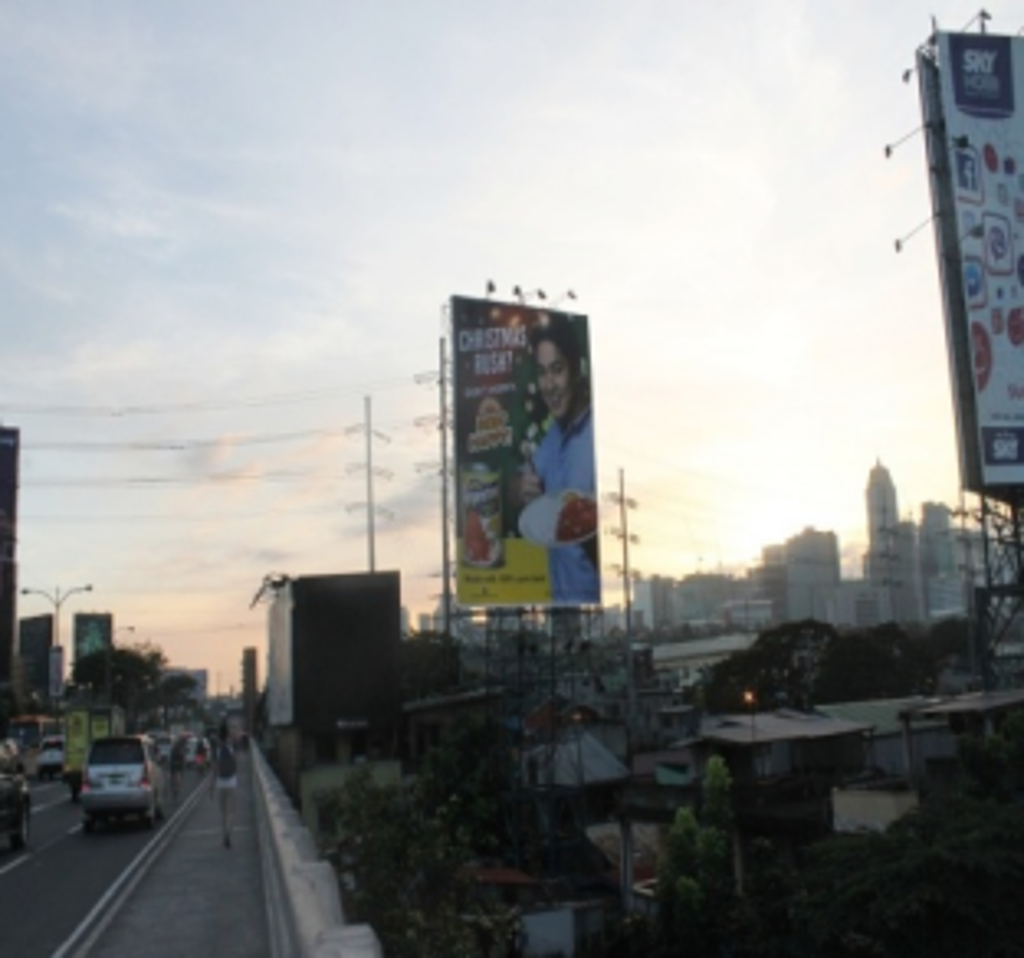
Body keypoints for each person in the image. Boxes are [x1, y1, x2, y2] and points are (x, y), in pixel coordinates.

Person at [518, 313, 600, 604]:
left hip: (592, 601)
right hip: (556, 603)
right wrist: (529, 497)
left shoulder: (595, 438)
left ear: (576, 369)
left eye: (557, 369)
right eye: (542, 372)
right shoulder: (546, 446)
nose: (549, 385)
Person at [209, 724, 238, 849]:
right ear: (228, 733)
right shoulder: (231, 746)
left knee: (223, 813)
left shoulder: (218, 748)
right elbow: (237, 763)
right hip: (231, 782)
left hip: (220, 783)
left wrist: (211, 785)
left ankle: (223, 837)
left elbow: (214, 768)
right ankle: (228, 834)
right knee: (231, 812)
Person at [169, 735, 187, 801]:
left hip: (174, 766)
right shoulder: (179, 748)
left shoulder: (175, 748)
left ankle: (175, 788)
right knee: (177, 777)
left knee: (175, 778)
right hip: (177, 766)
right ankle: (175, 788)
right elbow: (181, 757)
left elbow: (171, 758)